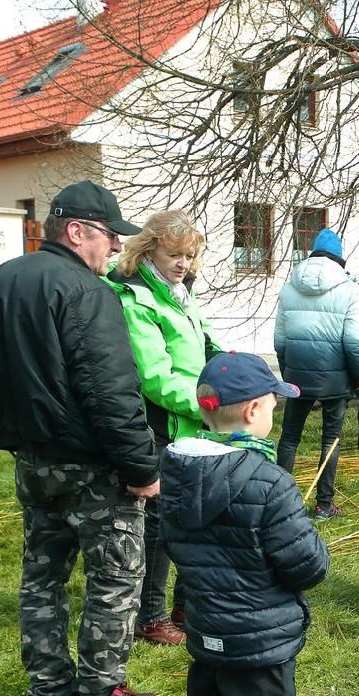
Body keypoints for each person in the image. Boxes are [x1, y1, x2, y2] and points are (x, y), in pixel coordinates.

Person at [0, 180, 161, 696]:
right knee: (116, 576)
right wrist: (141, 468)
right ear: (76, 231)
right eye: (108, 237)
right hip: (92, 465)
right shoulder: (85, 291)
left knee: (42, 577)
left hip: (32, 459)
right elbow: (111, 391)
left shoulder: (0, 280)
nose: (114, 250)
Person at [162, 352, 328, 696]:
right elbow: (308, 566)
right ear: (255, 410)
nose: (276, 409)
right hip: (259, 649)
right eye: (274, 402)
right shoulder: (269, 482)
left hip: (207, 638)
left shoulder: (177, 472)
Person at [109, 210, 221, 647]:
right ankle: (150, 615)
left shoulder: (179, 292)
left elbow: (206, 341)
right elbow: (155, 378)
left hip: (194, 422)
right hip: (162, 425)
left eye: (189, 255)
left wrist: (234, 370)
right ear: (149, 248)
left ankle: (185, 605)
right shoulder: (136, 298)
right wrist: (209, 400)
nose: (183, 263)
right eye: (174, 254)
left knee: (191, 518)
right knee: (159, 525)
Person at [274, 228, 359, 520]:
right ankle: (324, 506)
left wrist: (288, 370)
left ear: (312, 253)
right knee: (331, 440)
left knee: (289, 438)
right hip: (335, 378)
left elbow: (280, 340)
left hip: (297, 376)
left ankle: (279, 504)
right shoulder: (350, 289)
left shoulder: (289, 286)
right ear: (340, 258)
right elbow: (354, 341)